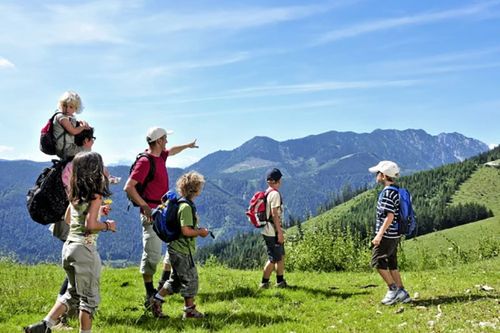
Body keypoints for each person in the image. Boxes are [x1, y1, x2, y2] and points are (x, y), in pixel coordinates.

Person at [24, 151, 117, 333]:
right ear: (95, 171)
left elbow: (68, 219)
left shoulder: (75, 194)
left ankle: (44, 326)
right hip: (85, 249)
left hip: (69, 248)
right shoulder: (96, 195)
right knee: (88, 300)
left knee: (73, 294)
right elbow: (90, 225)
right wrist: (107, 225)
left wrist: (97, 211)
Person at [123, 127, 198, 311]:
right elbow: (129, 187)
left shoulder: (160, 156)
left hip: (165, 211)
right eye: (164, 138)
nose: (166, 141)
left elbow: (172, 151)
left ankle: (162, 286)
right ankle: (150, 294)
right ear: (157, 141)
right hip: (152, 215)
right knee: (152, 255)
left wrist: (188, 146)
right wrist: (145, 206)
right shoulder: (145, 162)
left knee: (173, 248)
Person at [149, 171, 209, 319]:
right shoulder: (186, 207)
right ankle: (189, 311)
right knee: (191, 280)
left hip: (175, 249)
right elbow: (186, 231)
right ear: (195, 189)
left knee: (175, 282)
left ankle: (156, 300)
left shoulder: (182, 203)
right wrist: (200, 232)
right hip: (181, 250)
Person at [368, 160, 411, 305]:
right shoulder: (396, 190)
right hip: (395, 234)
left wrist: (379, 235)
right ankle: (403, 293)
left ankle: (393, 290)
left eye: (378, 173)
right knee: (392, 264)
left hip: (387, 234)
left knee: (378, 261)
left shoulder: (387, 193)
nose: (376, 175)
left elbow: (390, 216)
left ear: (384, 175)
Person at [259, 168, 287, 289]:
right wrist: (279, 232)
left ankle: (280, 282)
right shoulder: (275, 194)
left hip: (268, 229)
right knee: (273, 258)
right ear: (278, 181)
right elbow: (274, 214)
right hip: (273, 231)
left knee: (279, 256)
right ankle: (264, 283)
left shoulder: (267, 192)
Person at [52, 91, 91, 160]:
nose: (67, 109)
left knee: (87, 144)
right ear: (60, 104)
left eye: (71, 107)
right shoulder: (61, 117)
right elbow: (73, 131)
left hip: (67, 147)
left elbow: (73, 125)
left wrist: (81, 123)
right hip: (66, 150)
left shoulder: (68, 117)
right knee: (88, 149)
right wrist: (83, 127)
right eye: (64, 105)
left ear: (76, 108)